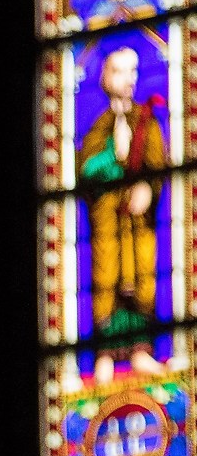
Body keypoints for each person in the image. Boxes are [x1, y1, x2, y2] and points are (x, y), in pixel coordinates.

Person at [82, 43, 166, 336]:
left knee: (143, 272)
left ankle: (142, 348)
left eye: (133, 71)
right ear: (105, 78)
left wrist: (148, 186)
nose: (130, 79)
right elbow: (87, 170)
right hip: (107, 220)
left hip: (139, 221)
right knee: (106, 274)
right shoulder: (98, 127)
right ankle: (105, 351)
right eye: (120, 71)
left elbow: (157, 164)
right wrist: (111, 156)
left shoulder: (147, 121)